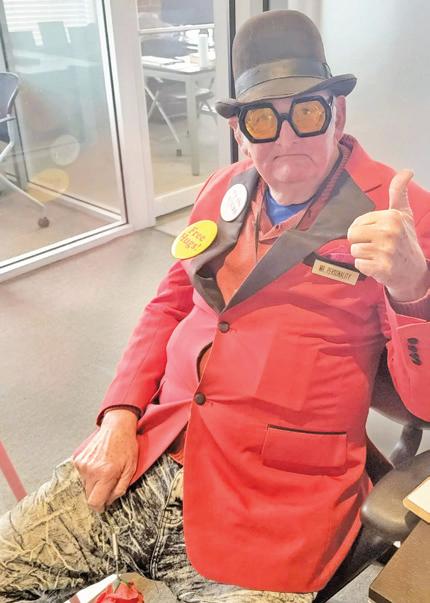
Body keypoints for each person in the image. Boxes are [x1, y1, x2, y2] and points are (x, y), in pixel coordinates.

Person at [1, 9, 430, 603]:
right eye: (262, 119)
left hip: (274, 505)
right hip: (152, 451)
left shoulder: (402, 216)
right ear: (240, 131)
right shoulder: (223, 188)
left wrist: (413, 290)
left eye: (307, 112)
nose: (286, 139)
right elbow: (168, 304)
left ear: (338, 113)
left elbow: (423, 402)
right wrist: (120, 412)